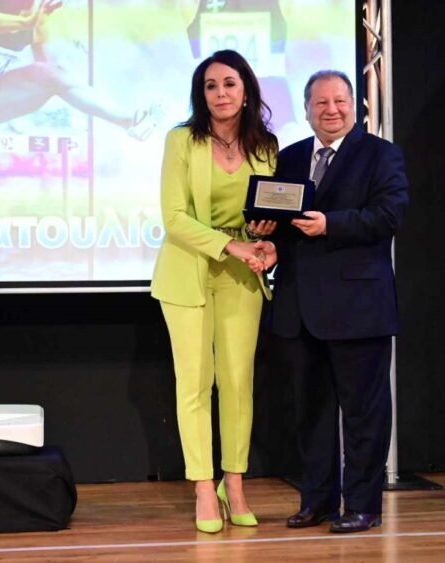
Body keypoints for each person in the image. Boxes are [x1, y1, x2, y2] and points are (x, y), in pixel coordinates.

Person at [255, 70, 409, 533]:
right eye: (321, 103)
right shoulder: (290, 157)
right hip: (300, 308)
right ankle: (317, 501)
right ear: (306, 109)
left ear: (354, 105)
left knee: (364, 415)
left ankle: (362, 505)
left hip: (358, 309)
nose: (331, 110)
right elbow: (284, 223)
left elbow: (389, 215)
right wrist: (267, 236)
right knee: (311, 414)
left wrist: (331, 224)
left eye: (340, 101)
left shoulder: (381, 155)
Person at [150, 49, 277, 534]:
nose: (220, 93)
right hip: (188, 272)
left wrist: (265, 235)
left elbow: (267, 210)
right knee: (195, 384)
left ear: (246, 91)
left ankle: (234, 483)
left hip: (242, 275)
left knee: (238, 383)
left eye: (229, 83)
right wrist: (230, 245)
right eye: (210, 86)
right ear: (201, 95)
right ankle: (204, 486)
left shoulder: (265, 145)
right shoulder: (181, 140)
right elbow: (174, 217)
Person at [0, 0, 160, 139]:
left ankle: (129, 121)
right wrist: (23, 22)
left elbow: (45, 70)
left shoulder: (37, 21)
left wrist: (51, 98)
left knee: (53, 73)